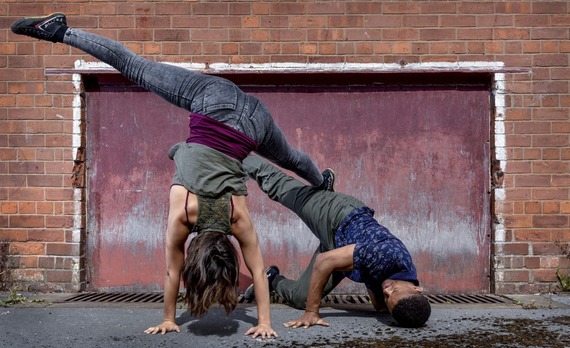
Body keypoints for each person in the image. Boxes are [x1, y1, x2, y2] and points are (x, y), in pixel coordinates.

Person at [11, 13, 335, 339]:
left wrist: (263, 321)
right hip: (214, 105)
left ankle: (321, 182)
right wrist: (170, 316)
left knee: (290, 158)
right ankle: (320, 184)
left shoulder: (237, 218)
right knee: (134, 69)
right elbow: (171, 271)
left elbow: (258, 274)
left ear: (227, 248)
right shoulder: (182, 213)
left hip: (250, 120)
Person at [241, 155, 431, 328]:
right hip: (337, 216)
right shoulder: (386, 255)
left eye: (389, 297)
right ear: (417, 288)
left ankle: (271, 278)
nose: (387, 290)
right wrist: (311, 313)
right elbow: (324, 262)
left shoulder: (400, 281)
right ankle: (234, 155)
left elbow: (378, 301)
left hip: (340, 246)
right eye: (394, 290)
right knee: (279, 188)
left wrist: (385, 305)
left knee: (301, 298)